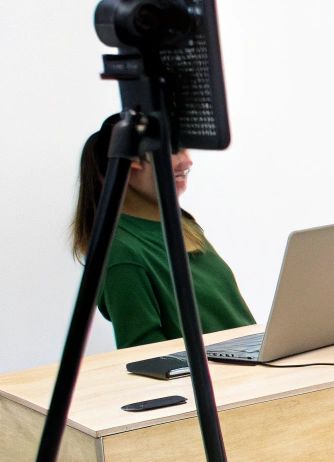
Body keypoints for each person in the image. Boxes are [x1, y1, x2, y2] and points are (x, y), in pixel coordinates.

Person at [70, 113, 255, 349]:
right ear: (133, 162)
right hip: (216, 383)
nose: (187, 161)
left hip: (252, 373)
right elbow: (144, 355)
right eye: (174, 150)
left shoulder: (183, 225)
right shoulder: (120, 251)